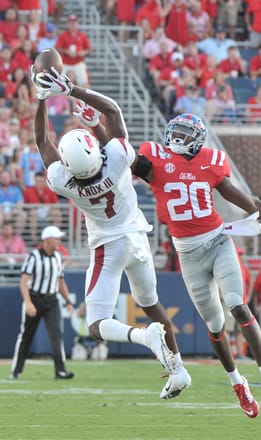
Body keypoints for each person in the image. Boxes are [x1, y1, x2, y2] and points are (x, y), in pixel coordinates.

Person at [31, 66, 191, 400]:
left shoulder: (65, 182)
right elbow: (113, 112)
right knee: (152, 304)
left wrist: (41, 99)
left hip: (108, 246)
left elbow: (42, 141)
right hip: (138, 239)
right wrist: (73, 91)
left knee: (96, 324)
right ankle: (178, 370)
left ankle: (145, 338)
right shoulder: (116, 159)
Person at [133, 112, 261, 417]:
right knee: (215, 324)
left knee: (237, 304)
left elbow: (251, 204)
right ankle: (238, 383)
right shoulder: (154, 159)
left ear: (198, 140)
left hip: (219, 243)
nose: (178, 139)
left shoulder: (211, 163)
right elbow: (124, 157)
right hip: (188, 255)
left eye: (185, 134)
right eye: (177, 132)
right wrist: (97, 126)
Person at [11, 225, 75, 380]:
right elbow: (23, 281)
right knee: (26, 335)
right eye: (56, 238)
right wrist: (28, 302)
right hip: (34, 298)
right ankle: (16, 370)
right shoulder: (33, 257)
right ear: (47, 240)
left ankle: (60, 370)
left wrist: (67, 300)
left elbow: (60, 281)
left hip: (52, 300)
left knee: (56, 335)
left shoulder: (58, 257)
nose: (59, 241)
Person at [223, 247, 252, 360]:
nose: (239, 256)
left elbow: (249, 283)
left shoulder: (244, 269)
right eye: (237, 254)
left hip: (242, 302)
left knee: (241, 329)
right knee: (228, 329)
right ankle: (227, 355)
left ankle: (240, 354)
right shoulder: (226, 267)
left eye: (240, 254)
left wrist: (248, 295)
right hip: (229, 302)